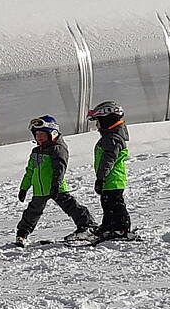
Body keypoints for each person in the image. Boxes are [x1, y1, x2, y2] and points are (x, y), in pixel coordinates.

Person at [15, 116, 95, 246]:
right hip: (40, 189)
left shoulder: (57, 149)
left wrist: (56, 185)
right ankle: (22, 234)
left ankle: (87, 226)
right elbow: (30, 171)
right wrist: (24, 188)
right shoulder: (35, 151)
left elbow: (60, 168)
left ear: (52, 134)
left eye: (42, 134)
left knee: (71, 206)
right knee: (32, 212)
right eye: (37, 134)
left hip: (56, 187)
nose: (39, 137)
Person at [87, 100, 140, 241]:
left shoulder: (112, 138)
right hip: (110, 179)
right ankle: (108, 226)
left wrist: (101, 178)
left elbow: (108, 159)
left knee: (115, 204)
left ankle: (122, 228)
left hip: (112, 179)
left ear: (107, 120)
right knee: (107, 204)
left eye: (98, 121)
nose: (97, 125)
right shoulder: (110, 137)